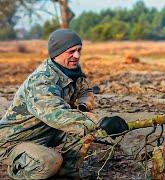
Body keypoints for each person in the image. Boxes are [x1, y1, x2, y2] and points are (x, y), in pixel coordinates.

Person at [0, 28, 128, 179]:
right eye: (71, 51)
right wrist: (98, 121)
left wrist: (83, 107)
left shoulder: (72, 71)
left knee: (84, 130)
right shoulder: (41, 81)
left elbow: (85, 91)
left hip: (46, 133)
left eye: (79, 50)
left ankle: (67, 173)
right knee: (49, 161)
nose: (77, 56)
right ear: (57, 52)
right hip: (13, 142)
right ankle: (18, 170)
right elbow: (55, 114)